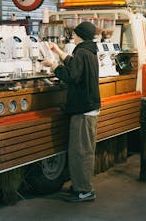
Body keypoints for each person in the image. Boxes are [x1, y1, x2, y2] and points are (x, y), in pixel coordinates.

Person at [41, 21, 101, 203]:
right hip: (88, 108)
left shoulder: (82, 51)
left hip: (83, 110)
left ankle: (85, 191)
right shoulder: (89, 51)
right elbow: (76, 66)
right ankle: (80, 187)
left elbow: (72, 76)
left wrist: (52, 65)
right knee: (80, 151)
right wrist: (58, 52)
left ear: (80, 35)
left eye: (74, 34)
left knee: (81, 152)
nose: (72, 37)